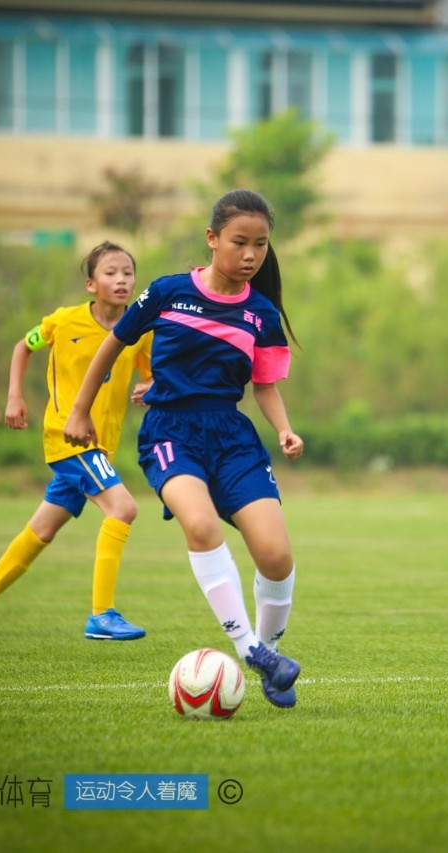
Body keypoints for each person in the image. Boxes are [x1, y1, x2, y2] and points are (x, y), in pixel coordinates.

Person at [64, 189, 305, 709]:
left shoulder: (261, 314)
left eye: (261, 245)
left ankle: (269, 649)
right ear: (212, 239)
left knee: (277, 556)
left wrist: (284, 429)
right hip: (171, 432)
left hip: (233, 438)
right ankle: (253, 653)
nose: (250, 255)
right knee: (201, 525)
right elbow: (115, 343)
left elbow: (264, 384)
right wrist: (80, 409)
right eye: (240, 242)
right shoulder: (168, 292)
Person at [0, 241, 152, 653]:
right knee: (124, 508)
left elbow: (149, 377)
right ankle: (102, 613)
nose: (122, 280)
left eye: (128, 273)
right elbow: (23, 346)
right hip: (67, 437)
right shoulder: (64, 321)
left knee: (40, 532)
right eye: (111, 272)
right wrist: (13, 396)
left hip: (102, 447)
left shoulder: (139, 331)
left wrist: (150, 387)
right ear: (90, 283)